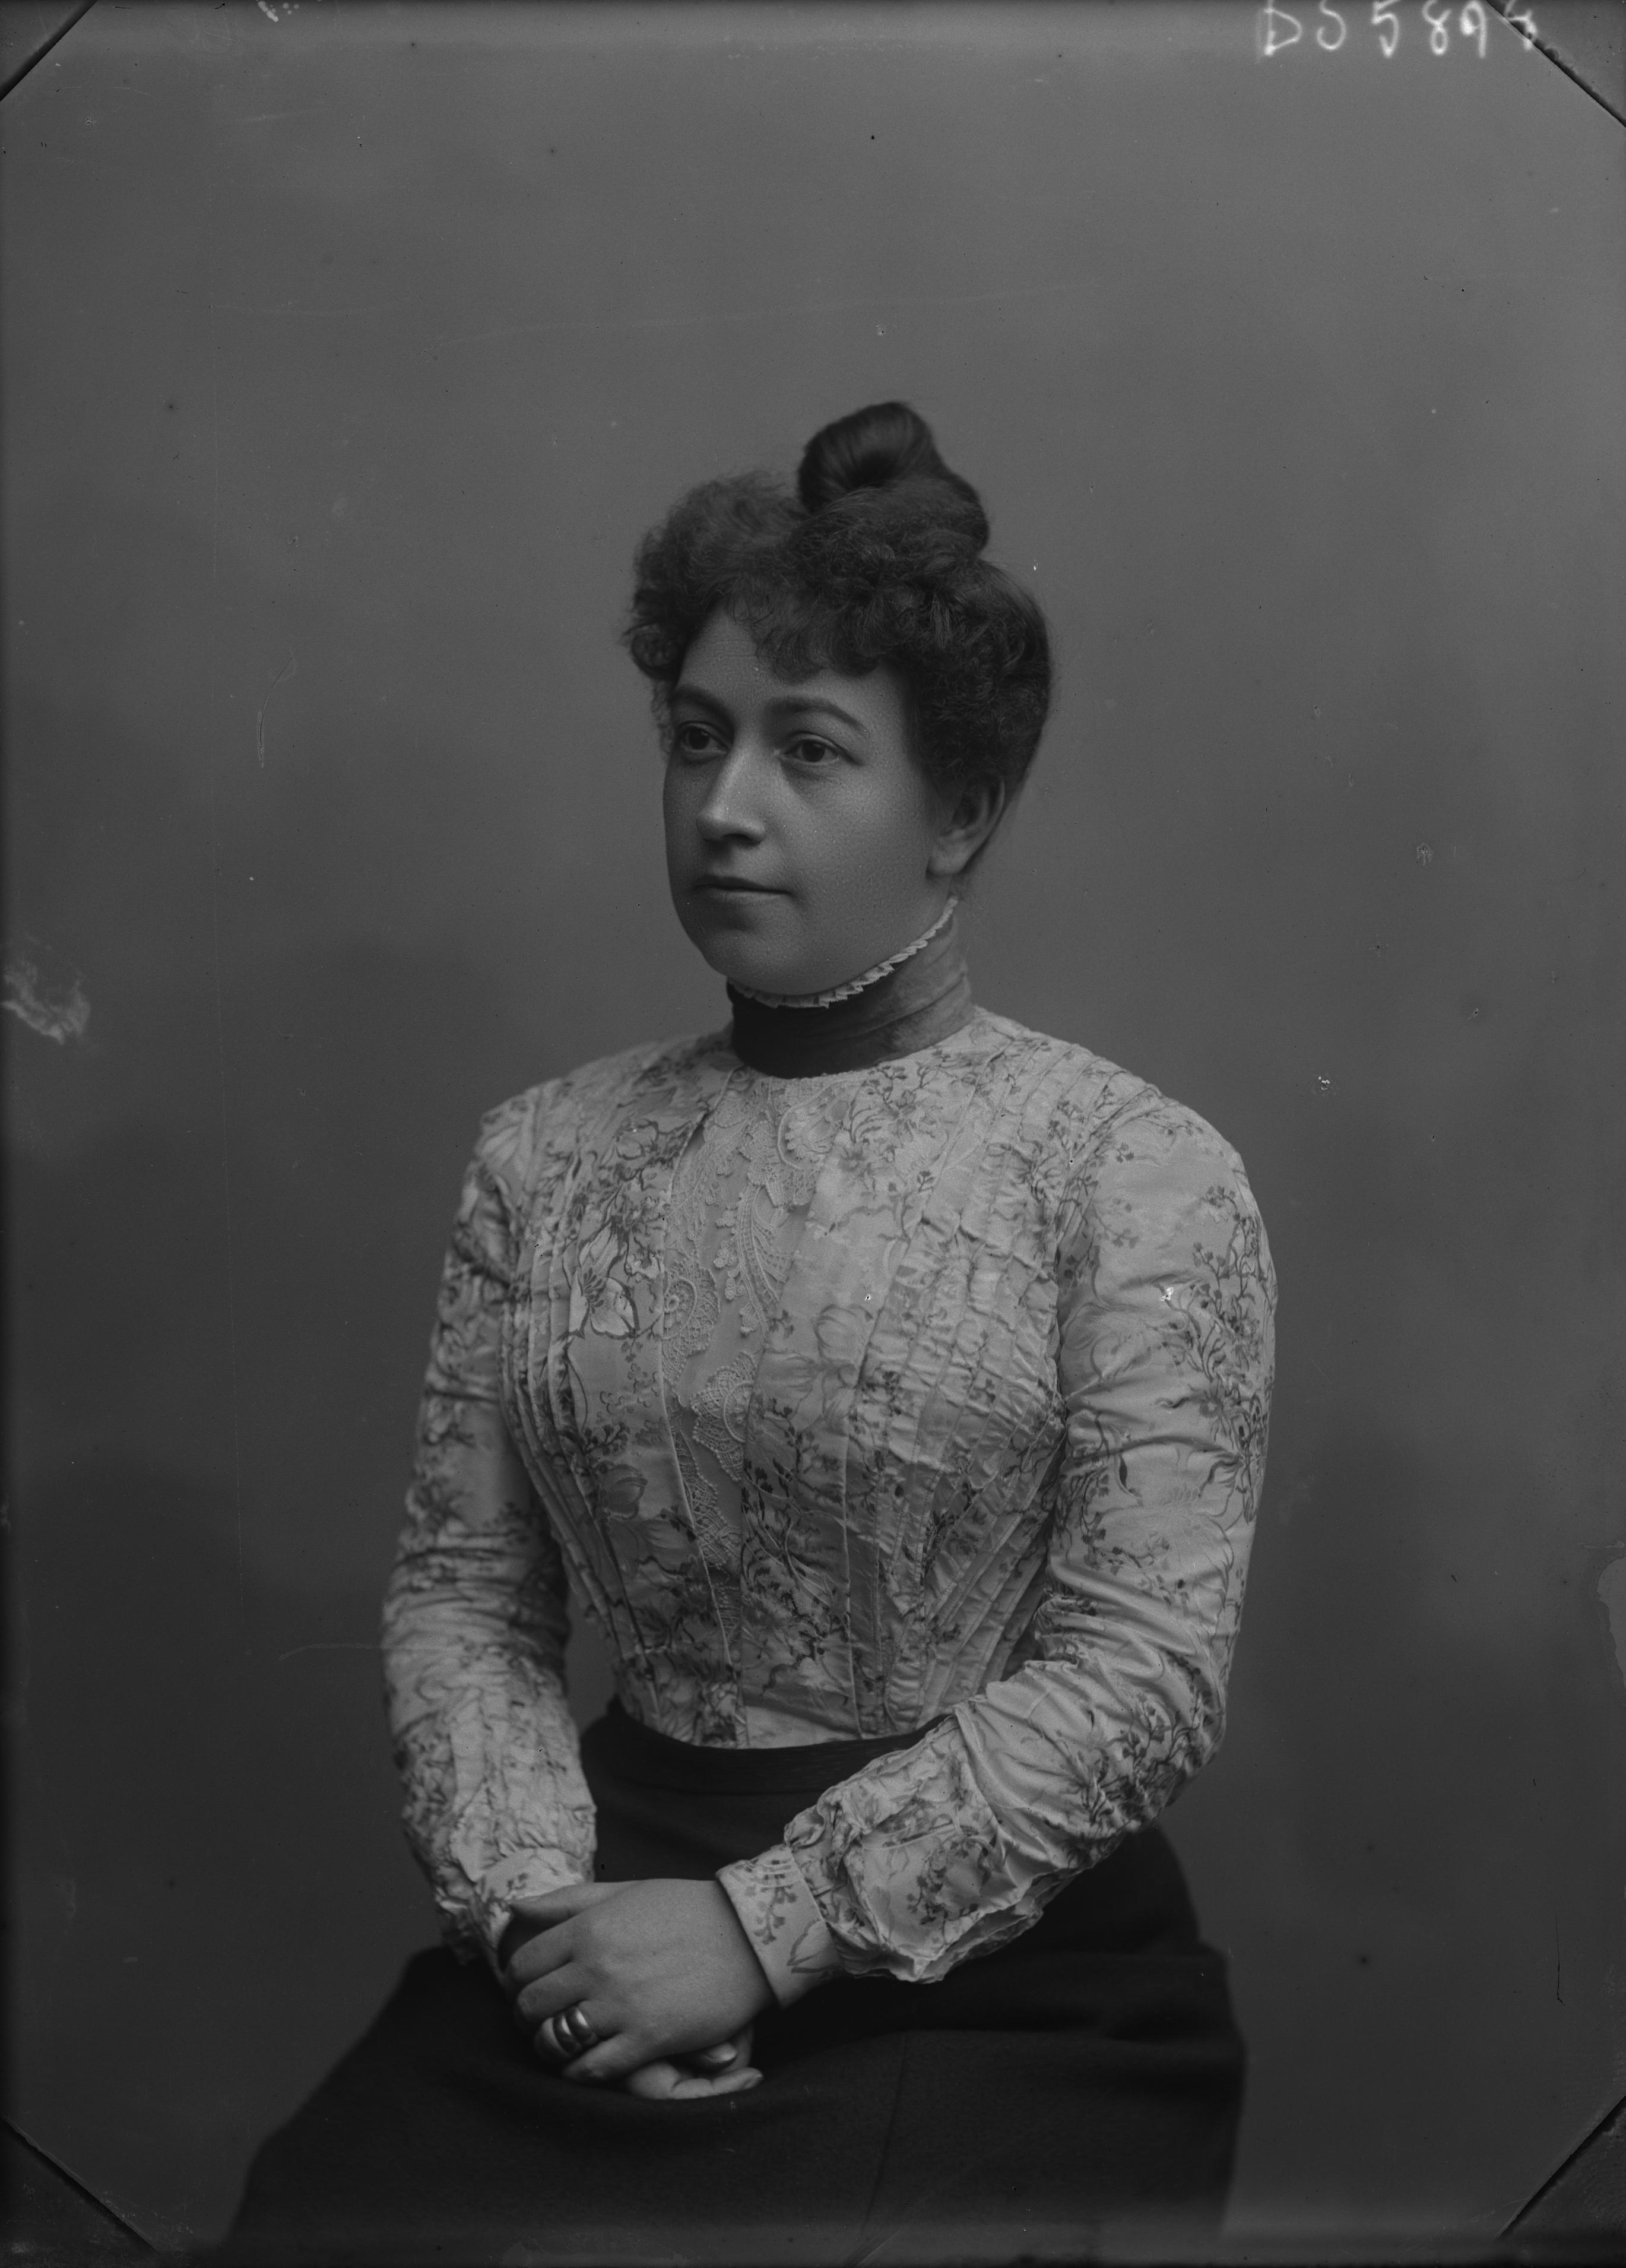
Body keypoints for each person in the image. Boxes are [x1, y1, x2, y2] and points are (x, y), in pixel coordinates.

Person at [221, 401, 1276, 2266]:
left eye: (808, 750)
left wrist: (753, 1930)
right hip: (596, 1906)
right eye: (696, 736)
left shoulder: (1127, 1167)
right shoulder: (544, 1153)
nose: (724, 805)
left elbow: (1140, 1673)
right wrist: (542, 1921)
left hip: (996, 1965)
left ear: (957, 810)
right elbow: (467, 1596)